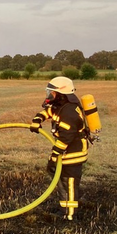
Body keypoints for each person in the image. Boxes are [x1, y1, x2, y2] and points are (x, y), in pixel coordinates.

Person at [30, 76, 89, 221]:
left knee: (69, 182)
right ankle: (65, 209)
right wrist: (38, 119)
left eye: (52, 92)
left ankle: (69, 216)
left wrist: (54, 156)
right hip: (65, 152)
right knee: (62, 180)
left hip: (73, 153)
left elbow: (65, 138)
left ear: (61, 94)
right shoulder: (61, 106)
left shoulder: (69, 112)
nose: (50, 95)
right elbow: (49, 112)